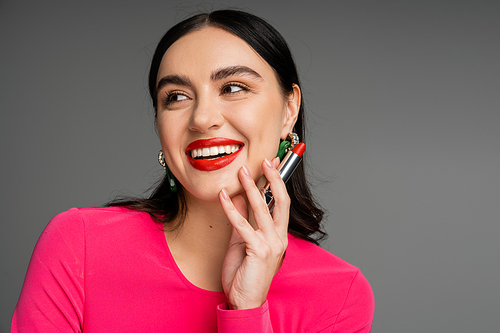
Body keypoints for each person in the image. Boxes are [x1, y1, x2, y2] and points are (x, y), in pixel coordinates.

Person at [12, 9, 374, 332]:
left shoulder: (339, 296)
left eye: (233, 88)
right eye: (176, 96)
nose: (201, 119)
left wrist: (246, 311)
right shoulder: (79, 245)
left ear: (289, 109)